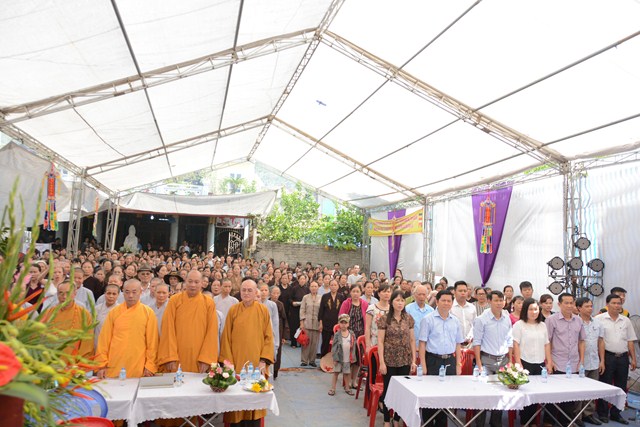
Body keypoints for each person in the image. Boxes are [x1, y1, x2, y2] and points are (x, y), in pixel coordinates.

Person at [219, 279, 274, 427]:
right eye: (244, 290)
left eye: (250, 290)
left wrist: (263, 360)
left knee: (253, 403)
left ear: (256, 292)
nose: (246, 293)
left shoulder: (263, 311)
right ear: (240, 292)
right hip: (236, 364)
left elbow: (269, 337)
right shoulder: (233, 310)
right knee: (235, 404)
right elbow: (226, 338)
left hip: (256, 365)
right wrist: (228, 364)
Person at [95, 279, 158, 379]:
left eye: (134, 292)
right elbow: (104, 340)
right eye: (127, 292)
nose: (130, 295)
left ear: (140, 292)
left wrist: (150, 365)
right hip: (114, 362)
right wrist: (101, 364)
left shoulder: (148, 312)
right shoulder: (114, 312)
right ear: (123, 292)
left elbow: (152, 343)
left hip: (138, 364)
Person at [158, 270, 219, 374]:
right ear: (185, 281)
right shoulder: (174, 300)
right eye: (190, 281)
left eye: (196, 282)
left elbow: (212, 332)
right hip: (177, 356)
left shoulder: (209, 303)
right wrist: (170, 356)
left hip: (199, 358)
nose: (193, 285)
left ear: (202, 283)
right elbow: (168, 328)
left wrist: (206, 359)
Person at [418, 289, 463, 427]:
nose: (446, 303)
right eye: (443, 300)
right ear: (437, 302)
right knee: (430, 395)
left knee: (446, 396)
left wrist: (458, 364)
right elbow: (422, 343)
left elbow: (458, 344)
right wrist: (423, 365)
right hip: (433, 360)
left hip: (449, 360)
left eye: (449, 301)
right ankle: (428, 423)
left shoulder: (455, 321)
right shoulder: (428, 319)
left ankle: (442, 423)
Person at [473, 290, 513, 427]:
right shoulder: (481, 319)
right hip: (486, 360)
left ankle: (496, 423)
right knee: (483, 394)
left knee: (500, 393)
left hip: (503, 360)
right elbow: (477, 342)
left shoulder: (507, 318)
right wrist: (479, 363)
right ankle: (479, 424)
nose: (499, 303)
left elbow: (510, 340)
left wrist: (510, 360)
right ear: (489, 301)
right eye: (496, 300)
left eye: (501, 300)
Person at [595, 293, 637, 424]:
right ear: (607, 304)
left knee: (621, 386)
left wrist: (633, 359)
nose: (617, 305)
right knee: (605, 385)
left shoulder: (626, 320)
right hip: (607, 356)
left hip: (623, 357)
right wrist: (601, 360)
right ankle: (602, 413)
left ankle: (616, 413)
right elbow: (598, 340)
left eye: (619, 303)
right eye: (614, 303)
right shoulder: (599, 319)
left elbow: (630, 340)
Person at [546, 293, 586, 426]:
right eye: (566, 303)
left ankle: (566, 422)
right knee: (553, 395)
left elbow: (581, 341)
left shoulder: (578, 320)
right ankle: (549, 422)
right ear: (559, 304)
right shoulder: (551, 320)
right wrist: (550, 361)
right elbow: (547, 341)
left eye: (571, 303)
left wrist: (581, 360)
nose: (569, 306)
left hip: (574, 363)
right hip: (557, 362)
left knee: (570, 396)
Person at [378, 290, 416, 427]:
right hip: (389, 359)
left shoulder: (408, 318)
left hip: (405, 359)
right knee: (388, 390)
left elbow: (412, 340)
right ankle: (386, 419)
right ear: (391, 302)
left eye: (402, 300)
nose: (400, 303)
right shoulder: (384, 319)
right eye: (397, 300)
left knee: (402, 391)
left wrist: (413, 361)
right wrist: (382, 362)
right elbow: (380, 341)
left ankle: (396, 418)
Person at [512, 298, 553, 426]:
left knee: (537, 393)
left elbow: (547, 344)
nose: (534, 312)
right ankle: (526, 422)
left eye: (536, 309)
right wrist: (518, 363)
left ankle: (535, 421)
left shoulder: (542, 325)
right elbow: (516, 344)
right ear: (525, 310)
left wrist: (549, 362)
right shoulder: (519, 325)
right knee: (526, 394)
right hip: (525, 362)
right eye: (530, 309)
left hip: (540, 363)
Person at [42, 281, 94, 359]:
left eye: (68, 293)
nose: (64, 296)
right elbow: (41, 337)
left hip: (73, 361)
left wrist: (79, 362)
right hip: (50, 360)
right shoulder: (49, 313)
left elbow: (87, 343)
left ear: (75, 294)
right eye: (61, 293)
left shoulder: (84, 314)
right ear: (57, 294)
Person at [576, 297, 604, 426]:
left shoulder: (597, 322)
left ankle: (588, 414)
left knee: (592, 389)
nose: (590, 309)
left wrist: (602, 360)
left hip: (594, 361)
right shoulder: (575, 322)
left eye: (591, 306)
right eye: (586, 306)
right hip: (579, 362)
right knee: (579, 390)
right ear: (579, 308)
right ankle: (577, 416)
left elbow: (601, 341)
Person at [339, 284, 368, 386]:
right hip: (348, 335)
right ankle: (347, 381)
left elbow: (367, 320)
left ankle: (354, 380)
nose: (355, 294)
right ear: (350, 292)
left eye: (357, 291)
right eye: (353, 291)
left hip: (360, 336)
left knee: (358, 359)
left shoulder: (365, 304)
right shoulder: (346, 303)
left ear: (361, 293)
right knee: (348, 359)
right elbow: (341, 318)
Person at [329, 314, 357, 397]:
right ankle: (333, 388)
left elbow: (354, 346)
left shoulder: (352, 334)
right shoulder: (337, 335)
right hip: (338, 357)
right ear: (339, 323)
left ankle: (347, 388)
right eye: (342, 323)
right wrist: (335, 358)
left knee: (347, 373)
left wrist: (353, 357)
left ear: (348, 324)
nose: (343, 325)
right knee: (336, 373)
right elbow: (334, 347)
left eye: (345, 323)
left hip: (347, 358)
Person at [405, 284, 434, 351]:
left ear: (427, 295)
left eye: (424, 294)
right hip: (411, 346)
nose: (421, 297)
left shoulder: (431, 310)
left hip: (427, 347)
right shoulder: (408, 309)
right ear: (414, 295)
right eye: (419, 294)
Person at [319, 279, 343, 357]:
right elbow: (321, 310)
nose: (333, 287)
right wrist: (320, 323)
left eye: (335, 285)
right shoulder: (325, 296)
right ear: (329, 286)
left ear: (338, 286)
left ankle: (336, 361)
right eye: (332, 285)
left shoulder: (341, 297)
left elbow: (343, 311)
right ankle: (323, 359)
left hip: (337, 324)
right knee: (325, 343)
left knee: (338, 344)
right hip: (326, 323)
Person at [258, 282, 279, 369]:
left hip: (269, 335)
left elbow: (275, 324)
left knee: (267, 365)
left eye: (265, 290)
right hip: (257, 336)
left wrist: (276, 343)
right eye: (261, 290)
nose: (263, 292)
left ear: (268, 292)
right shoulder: (255, 304)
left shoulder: (272, 305)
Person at [365, 283, 391, 351]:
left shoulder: (393, 309)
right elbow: (367, 327)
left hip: (389, 344)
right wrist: (367, 345)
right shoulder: (372, 308)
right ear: (379, 294)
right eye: (384, 292)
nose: (386, 294)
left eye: (388, 292)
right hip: (374, 343)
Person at [270, 286, 288, 379]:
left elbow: (284, 319)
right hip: (269, 327)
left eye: (277, 293)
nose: (275, 295)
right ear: (270, 293)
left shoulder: (280, 304)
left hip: (279, 328)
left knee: (278, 350)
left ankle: (275, 371)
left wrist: (284, 335)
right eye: (274, 293)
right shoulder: (267, 303)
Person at [450, 281, 476, 347]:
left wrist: (471, 335)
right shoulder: (450, 306)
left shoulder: (472, 307)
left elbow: (475, 324)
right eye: (460, 291)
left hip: (469, 343)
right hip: (453, 343)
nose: (463, 293)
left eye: (465, 291)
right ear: (454, 292)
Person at [94, 283, 120, 348]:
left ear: (118, 295)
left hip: (114, 345)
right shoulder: (97, 309)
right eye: (108, 293)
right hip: (97, 343)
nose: (111, 296)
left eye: (114, 294)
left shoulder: (121, 310)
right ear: (104, 294)